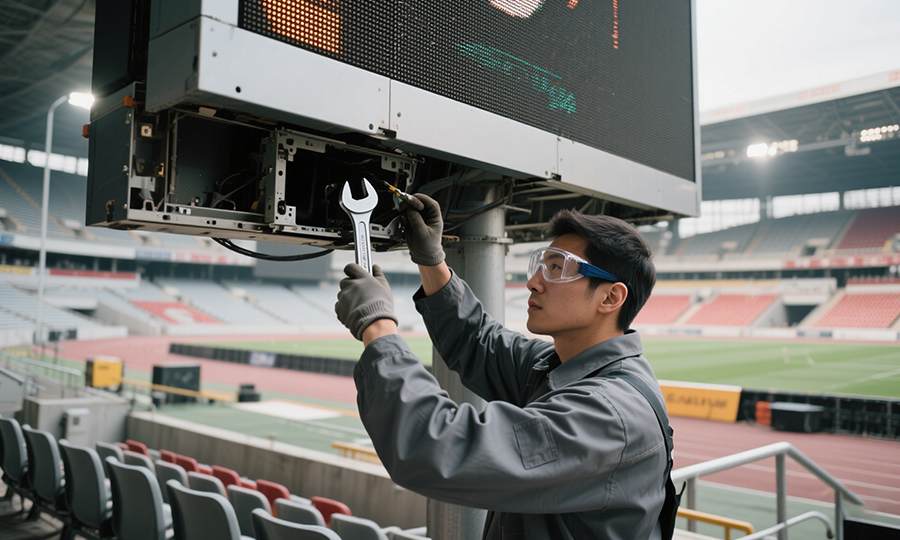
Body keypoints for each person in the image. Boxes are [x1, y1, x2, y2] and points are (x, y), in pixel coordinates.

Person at [334, 194, 679, 540]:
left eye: (558, 268)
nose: (534, 281)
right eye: (541, 264)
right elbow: (478, 341)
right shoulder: (563, 368)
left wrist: (377, 327)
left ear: (610, 298)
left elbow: (437, 447)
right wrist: (432, 260)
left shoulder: (608, 417)